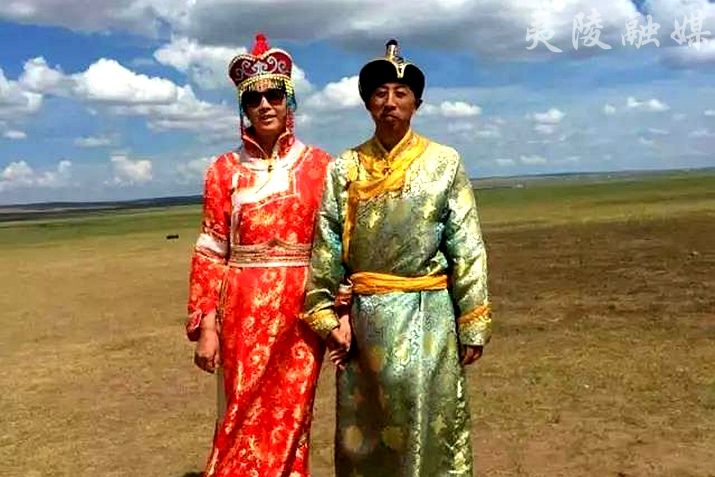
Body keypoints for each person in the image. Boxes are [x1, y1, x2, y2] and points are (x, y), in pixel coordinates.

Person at [302, 39, 492, 476]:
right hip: (365, 321)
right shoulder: (345, 167)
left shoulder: (444, 162)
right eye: (380, 93)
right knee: (368, 434)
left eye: (400, 93)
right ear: (368, 103)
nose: (390, 102)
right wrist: (327, 317)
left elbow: (466, 244)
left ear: (416, 103)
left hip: (429, 316)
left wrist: (473, 321)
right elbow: (327, 245)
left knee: (428, 424)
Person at [186, 33, 332, 477]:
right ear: (243, 108)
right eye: (253, 98)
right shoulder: (223, 170)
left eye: (274, 95)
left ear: (290, 101)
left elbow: (335, 246)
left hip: (301, 313)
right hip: (241, 313)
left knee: (293, 414)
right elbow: (211, 250)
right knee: (240, 410)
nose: (265, 105)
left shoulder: (320, 166)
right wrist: (206, 325)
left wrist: (339, 310)